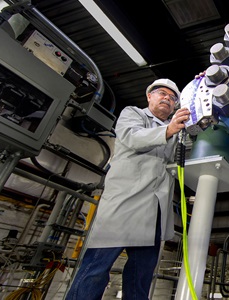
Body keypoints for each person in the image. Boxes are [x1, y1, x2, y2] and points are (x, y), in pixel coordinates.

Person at [65, 78, 191, 300]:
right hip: (124, 203)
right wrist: (169, 130)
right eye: (162, 93)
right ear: (149, 96)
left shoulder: (175, 130)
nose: (167, 99)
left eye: (172, 98)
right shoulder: (134, 114)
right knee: (95, 271)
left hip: (154, 210)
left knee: (140, 277)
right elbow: (132, 137)